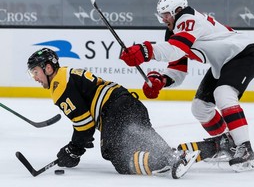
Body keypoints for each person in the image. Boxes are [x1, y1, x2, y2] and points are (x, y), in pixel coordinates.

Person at [120, 0, 254, 172]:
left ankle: (246, 149)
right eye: (161, 15)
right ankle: (227, 144)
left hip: (242, 55)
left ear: (177, 10)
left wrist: (145, 51)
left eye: (166, 14)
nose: (163, 19)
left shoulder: (188, 18)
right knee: (200, 107)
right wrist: (161, 80)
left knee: (223, 93)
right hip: (223, 63)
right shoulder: (175, 29)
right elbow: (178, 69)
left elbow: (176, 50)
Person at [26, 47, 201, 179]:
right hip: (129, 103)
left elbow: (84, 125)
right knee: (143, 140)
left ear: (48, 68)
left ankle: (165, 159)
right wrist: (76, 147)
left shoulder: (59, 85)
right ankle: (176, 156)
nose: (35, 77)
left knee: (114, 153)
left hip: (114, 110)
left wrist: (73, 150)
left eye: (36, 72)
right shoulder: (67, 73)